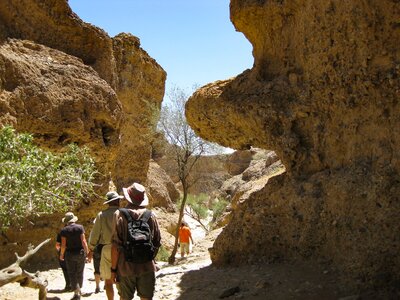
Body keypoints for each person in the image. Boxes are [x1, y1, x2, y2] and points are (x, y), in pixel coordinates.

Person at [111, 182, 161, 300]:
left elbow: (115, 246)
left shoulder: (119, 214)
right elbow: (157, 241)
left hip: (125, 266)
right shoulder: (151, 215)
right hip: (147, 266)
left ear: (128, 197)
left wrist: (113, 269)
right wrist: (148, 256)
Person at [88, 191, 122, 299]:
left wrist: (91, 248)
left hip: (107, 249)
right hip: (122, 249)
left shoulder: (101, 215)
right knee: (121, 280)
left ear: (108, 202)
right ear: (118, 201)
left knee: (108, 281)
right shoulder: (124, 213)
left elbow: (95, 234)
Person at [59, 212, 89, 300]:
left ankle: (76, 292)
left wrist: (61, 255)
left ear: (66, 221)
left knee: (72, 273)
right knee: (80, 271)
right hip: (80, 252)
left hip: (69, 254)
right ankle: (79, 289)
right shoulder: (80, 227)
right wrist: (87, 252)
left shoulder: (64, 230)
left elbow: (63, 245)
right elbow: (84, 241)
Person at [56, 224, 70, 292]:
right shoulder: (78, 230)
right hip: (74, 252)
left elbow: (58, 245)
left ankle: (68, 285)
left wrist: (60, 252)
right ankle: (74, 286)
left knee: (65, 269)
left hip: (64, 253)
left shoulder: (61, 232)